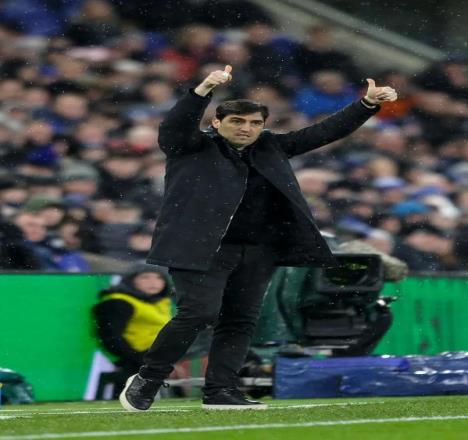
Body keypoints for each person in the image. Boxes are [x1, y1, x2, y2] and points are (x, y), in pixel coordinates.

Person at [120, 64, 397, 411]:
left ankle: (221, 391)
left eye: (254, 123)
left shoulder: (271, 146)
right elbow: (173, 127)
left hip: (259, 250)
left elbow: (323, 132)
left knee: (240, 320)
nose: (246, 128)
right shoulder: (191, 146)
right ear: (216, 122)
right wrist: (202, 90)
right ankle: (148, 377)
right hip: (201, 248)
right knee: (199, 314)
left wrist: (366, 105)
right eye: (237, 121)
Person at [93, 264, 173, 397]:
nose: (153, 282)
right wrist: (141, 359)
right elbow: (111, 337)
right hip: (134, 359)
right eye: (145, 277)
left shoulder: (160, 302)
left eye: (159, 278)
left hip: (157, 356)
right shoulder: (119, 302)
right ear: (131, 280)